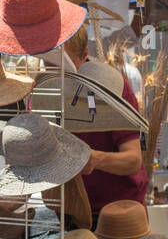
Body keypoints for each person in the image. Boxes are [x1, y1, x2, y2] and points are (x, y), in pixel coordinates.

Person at [62, 25, 148, 221]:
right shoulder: (45, 88)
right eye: (48, 63)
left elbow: (133, 161)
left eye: (64, 65)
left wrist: (95, 159)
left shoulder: (111, 88)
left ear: (85, 55)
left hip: (118, 215)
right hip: (67, 213)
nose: (57, 74)